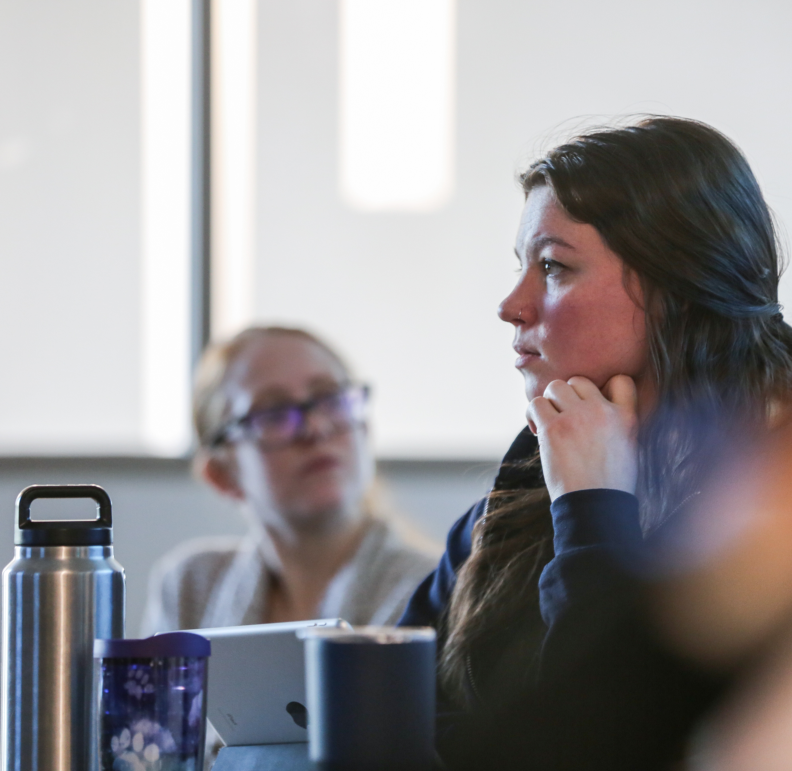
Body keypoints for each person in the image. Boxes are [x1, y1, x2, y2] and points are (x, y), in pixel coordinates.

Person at [398, 116, 792, 769]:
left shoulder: (764, 501)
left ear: (678, 284)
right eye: (521, 266)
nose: (511, 305)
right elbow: (392, 703)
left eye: (553, 266)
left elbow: (612, 737)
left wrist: (591, 507)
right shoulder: (537, 461)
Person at [142, 326, 439, 636]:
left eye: (331, 399)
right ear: (221, 475)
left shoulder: (438, 591)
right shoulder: (191, 589)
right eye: (274, 414)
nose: (315, 428)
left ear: (365, 429)